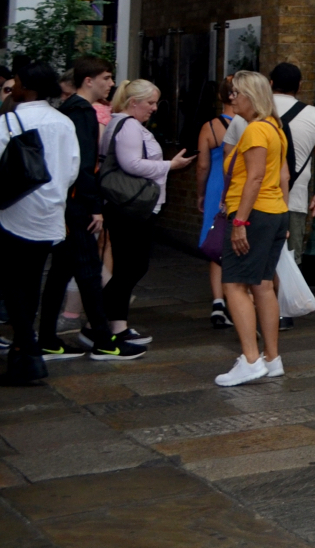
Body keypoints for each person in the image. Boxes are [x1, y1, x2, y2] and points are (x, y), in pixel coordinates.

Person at [38, 57, 139, 360]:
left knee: (61, 272)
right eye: (106, 78)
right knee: (89, 271)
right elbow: (82, 164)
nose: (111, 84)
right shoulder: (82, 113)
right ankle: (103, 341)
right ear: (88, 81)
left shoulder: (68, 110)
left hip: (66, 202)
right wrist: (94, 206)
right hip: (77, 204)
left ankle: (46, 338)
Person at [1, 63, 81, 385]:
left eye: (16, 81)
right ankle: (23, 348)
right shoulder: (64, 122)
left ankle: (29, 352)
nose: (14, 87)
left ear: (26, 86)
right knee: (30, 281)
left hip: (14, 212)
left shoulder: (10, 120)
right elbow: (73, 167)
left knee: (11, 283)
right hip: (51, 215)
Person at [100, 79, 192, 347]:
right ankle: (99, 322)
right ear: (133, 103)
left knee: (129, 266)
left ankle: (115, 325)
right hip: (132, 207)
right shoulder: (128, 125)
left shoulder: (122, 123)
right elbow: (131, 164)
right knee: (133, 265)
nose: (153, 108)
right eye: (150, 103)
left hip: (128, 206)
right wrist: (170, 165)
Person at [216, 71, 291, 385]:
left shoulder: (255, 130)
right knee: (262, 284)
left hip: (255, 214)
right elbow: (281, 175)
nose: (233, 98)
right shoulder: (274, 126)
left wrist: (239, 223)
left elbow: (255, 177)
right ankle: (272, 358)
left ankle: (250, 359)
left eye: (237, 93)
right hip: (274, 212)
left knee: (233, 284)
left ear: (251, 96)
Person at [270, 64, 315, 277]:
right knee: (290, 259)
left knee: (256, 259)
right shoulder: (312, 115)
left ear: (270, 84)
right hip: (294, 199)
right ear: (299, 85)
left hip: (254, 200)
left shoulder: (251, 112)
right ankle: (283, 307)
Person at [197, 105, 244, 327]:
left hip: (216, 187)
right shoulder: (249, 123)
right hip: (236, 186)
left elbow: (203, 165)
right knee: (236, 244)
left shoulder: (210, 127)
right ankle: (238, 300)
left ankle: (218, 303)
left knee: (216, 243)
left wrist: (201, 193)